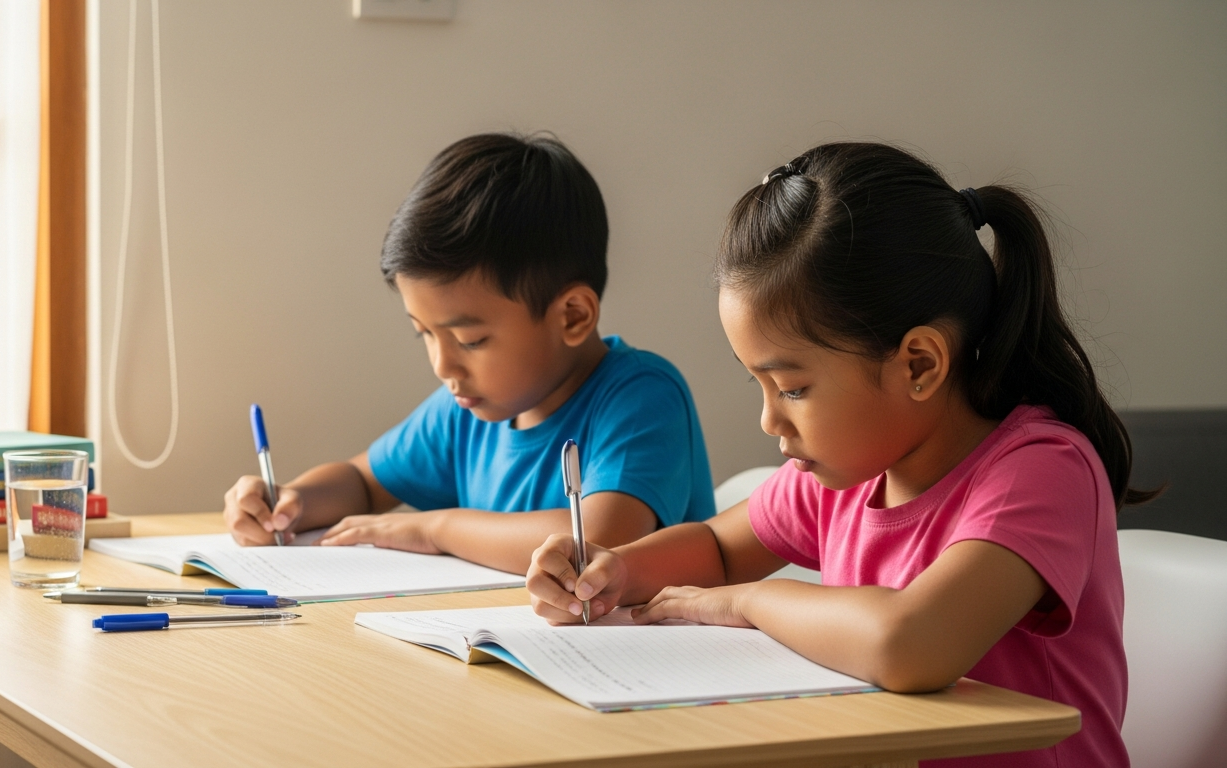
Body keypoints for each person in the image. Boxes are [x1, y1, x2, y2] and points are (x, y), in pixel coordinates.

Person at [526, 142, 1150, 766]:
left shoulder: (1041, 470)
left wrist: (743, 602)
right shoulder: (847, 473)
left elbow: (912, 643)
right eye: (761, 385)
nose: (770, 418)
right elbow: (717, 550)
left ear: (920, 363)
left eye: (793, 387)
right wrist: (611, 570)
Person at [223, 133, 715, 574]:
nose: (443, 366)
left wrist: (437, 529)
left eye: (470, 341)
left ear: (571, 316)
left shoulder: (641, 396)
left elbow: (600, 537)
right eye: (425, 335)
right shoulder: (468, 411)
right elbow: (361, 480)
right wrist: (288, 503)